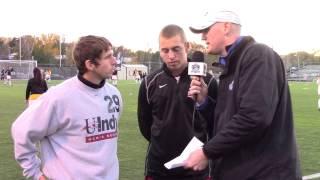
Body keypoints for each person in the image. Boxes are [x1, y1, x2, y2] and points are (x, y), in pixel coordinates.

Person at [184, 10, 302, 179]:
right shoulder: (230, 66)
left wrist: (206, 152)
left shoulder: (257, 55)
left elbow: (253, 118)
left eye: (206, 30)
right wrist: (204, 102)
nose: (202, 37)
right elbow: (225, 125)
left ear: (226, 27)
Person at [11, 35, 123, 180]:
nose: (115, 61)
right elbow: (20, 130)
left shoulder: (114, 94)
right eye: (108, 57)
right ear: (90, 65)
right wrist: (35, 173)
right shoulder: (59, 97)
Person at [137, 24, 218, 180]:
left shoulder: (208, 81)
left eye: (176, 49)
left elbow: (216, 123)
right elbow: (145, 125)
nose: (171, 56)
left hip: (197, 169)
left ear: (187, 47)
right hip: (158, 168)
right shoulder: (149, 82)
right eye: (165, 50)